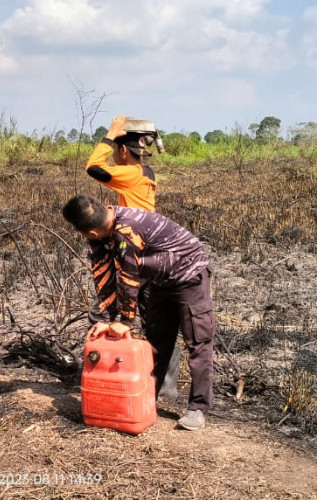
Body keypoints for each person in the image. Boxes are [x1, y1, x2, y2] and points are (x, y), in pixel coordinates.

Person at [62, 195, 215, 430]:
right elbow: (103, 274)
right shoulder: (101, 234)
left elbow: (128, 277)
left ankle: (197, 408)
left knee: (198, 343)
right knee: (155, 342)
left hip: (188, 277)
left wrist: (125, 320)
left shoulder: (126, 230)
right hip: (160, 281)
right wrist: (104, 319)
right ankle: (145, 397)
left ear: (91, 232)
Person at [85, 115, 181, 400]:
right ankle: (162, 386)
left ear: (123, 150)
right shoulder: (147, 173)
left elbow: (93, 168)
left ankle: (108, 373)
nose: (115, 153)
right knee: (156, 321)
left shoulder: (131, 174)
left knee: (104, 311)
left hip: (133, 251)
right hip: (151, 251)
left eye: (116, 148)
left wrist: (108, 136)